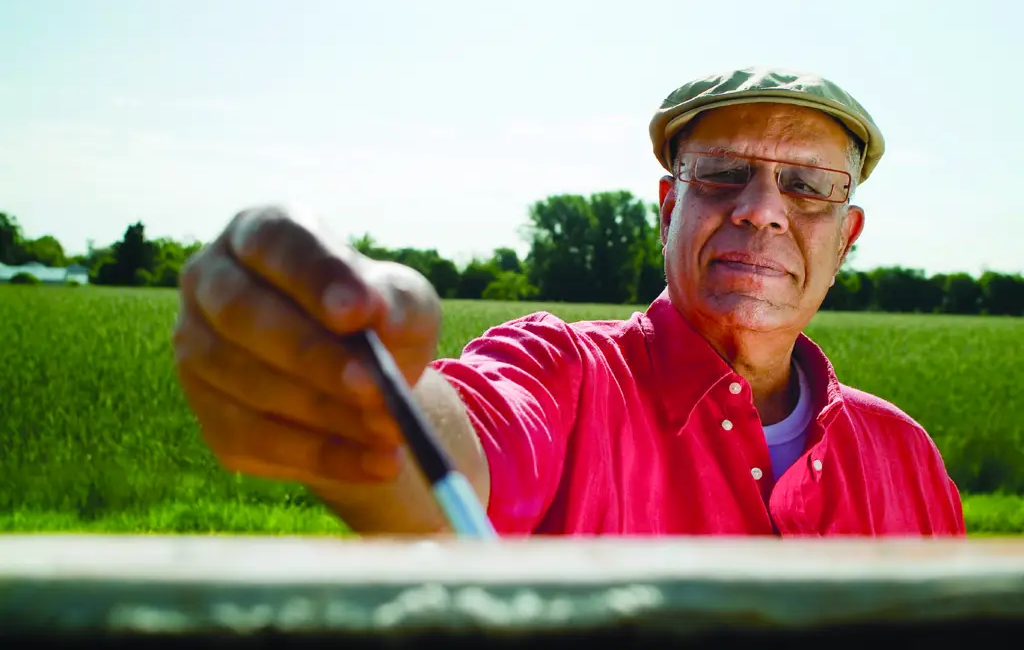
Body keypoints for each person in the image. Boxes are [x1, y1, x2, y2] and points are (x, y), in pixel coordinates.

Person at [172, 66, 966, 537]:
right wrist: (362, 384)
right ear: (666, 208)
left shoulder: (905, 458)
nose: (762, 208)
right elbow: (459, 446)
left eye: (807, 186)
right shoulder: (565, 376)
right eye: (724, 172)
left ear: (847, 234)